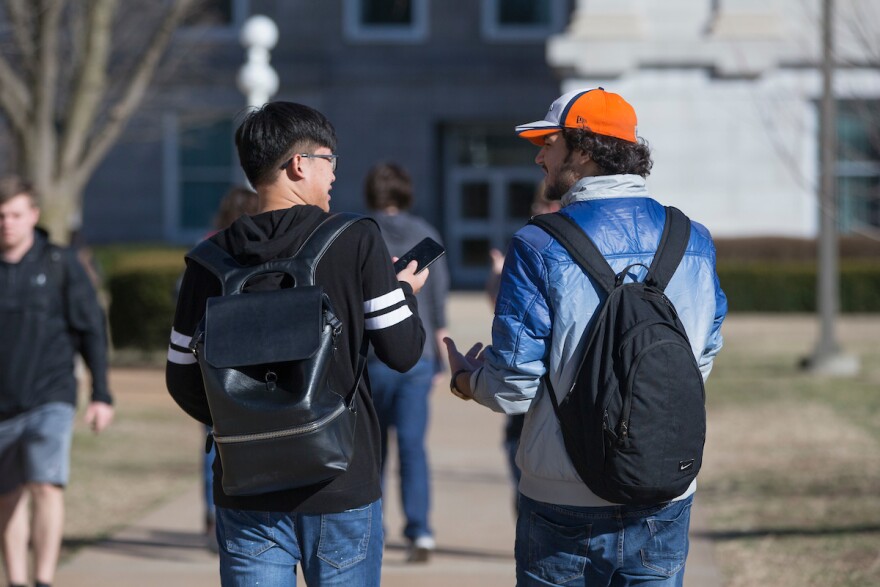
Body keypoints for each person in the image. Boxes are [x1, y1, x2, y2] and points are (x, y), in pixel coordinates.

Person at [444, 88, 727, 586]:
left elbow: (514, 387)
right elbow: (700, 354)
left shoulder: (537, 245)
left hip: (562, 497)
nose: (539, 155)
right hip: (663, 487)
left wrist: (468, 382)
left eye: (548, 143)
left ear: (585, 150)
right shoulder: (693, 239)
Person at [166, 101, 429, 586]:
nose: (334, 174)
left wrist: (249, 421)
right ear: (299, 164)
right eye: (331, 159)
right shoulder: (355, 240)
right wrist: (404, 295)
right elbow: (403, 351)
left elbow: (182, 379)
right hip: (340, 481)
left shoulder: (207, 260)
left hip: (246, 485)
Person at [0, 176, 114, 587]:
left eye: (15, 214)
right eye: (0, 216)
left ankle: (43, 579)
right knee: (7, 497)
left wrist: (101, 394)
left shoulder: (59, 262)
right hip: (3, 405)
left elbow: (90, 330)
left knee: (45, 484)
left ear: (33, 215)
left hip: (51, 395)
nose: (7, 224)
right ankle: (17, 580)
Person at [363, 162, 449, 563]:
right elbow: (435, 302)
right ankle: (421, 531)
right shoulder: (424, 234)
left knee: (373, 449)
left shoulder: (360, 235)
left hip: (373, 354)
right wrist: (439, 357)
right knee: (413, 447)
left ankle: (371, 527)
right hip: (417, 354)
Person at [484, 182, 560, 514]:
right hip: (529, 396)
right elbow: (503, 309)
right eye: (538, 207)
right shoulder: (528, 243)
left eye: (547, 206)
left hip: (554, 387)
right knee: (525, 482)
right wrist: (498, 276)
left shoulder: (554, 246)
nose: (541, 214)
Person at [199, 185, 259, 552]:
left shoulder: (207, 248)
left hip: (214, 362)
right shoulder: (259, 248)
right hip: (252, 360)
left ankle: (211, 515)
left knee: (212, 442)